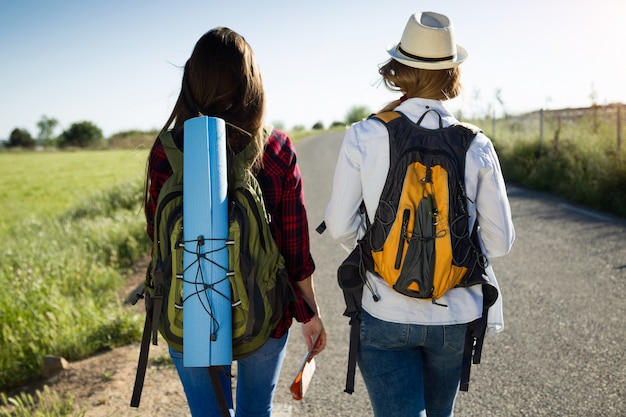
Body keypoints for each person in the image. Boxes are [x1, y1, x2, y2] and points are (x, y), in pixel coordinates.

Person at [324, 11, 515, 417]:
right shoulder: (476, 144)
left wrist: (381, 246)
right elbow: (500, 244)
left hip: (384, 307)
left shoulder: (364, 134)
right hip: (455, 314)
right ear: (452, 74)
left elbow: (340, 224)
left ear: (398, 70)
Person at [144, 27, 326, 417]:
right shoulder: (275, 149)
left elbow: (156, 238)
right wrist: (310, 313)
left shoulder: (167, 151)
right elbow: (294, 249)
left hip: (187, 312)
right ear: (252, 85)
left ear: (191, 83)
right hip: (266, 315)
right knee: (256, 411)